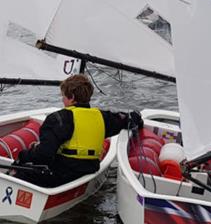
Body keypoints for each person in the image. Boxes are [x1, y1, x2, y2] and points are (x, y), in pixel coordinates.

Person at [12, 74, 143, 187]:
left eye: (63, 96)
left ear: (72, 97)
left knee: (20, 170)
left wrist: (23, 156)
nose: (62, 100)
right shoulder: (103, 117)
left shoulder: (57, 119)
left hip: (62, 174)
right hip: (89, 168)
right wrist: (138, 120)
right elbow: (129, 119)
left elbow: (44, 155)